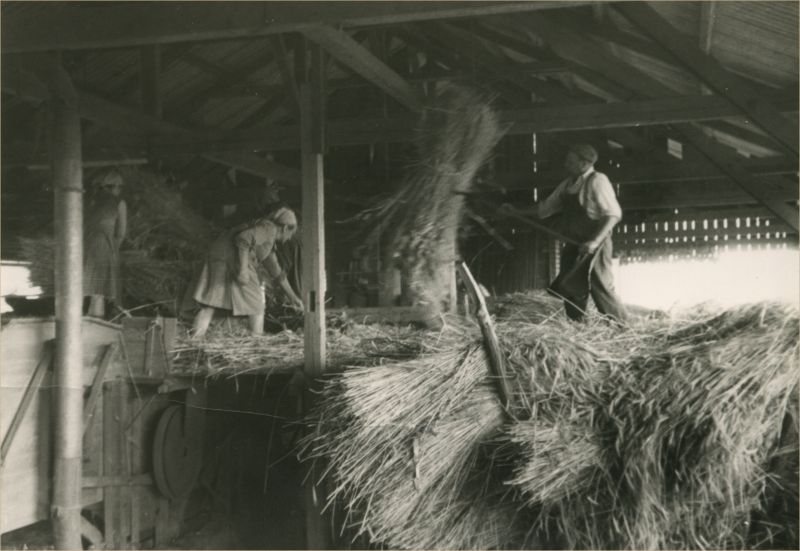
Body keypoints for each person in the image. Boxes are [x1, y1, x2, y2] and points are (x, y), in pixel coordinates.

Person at [533, 144, 627, 323]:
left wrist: (594, 241)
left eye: (570, 161)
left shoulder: (597, 180)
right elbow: (545, 209)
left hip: (595, 244)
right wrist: (514, 210)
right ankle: (577, 325)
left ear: (584, 163)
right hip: (575, 242)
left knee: (599, 284)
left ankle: (622, 326)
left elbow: (613, 214)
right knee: (570, 285)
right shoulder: (568, 184)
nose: (565, 164)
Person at [189, 206, 304, 338]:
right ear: (285, 228)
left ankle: (195, 340)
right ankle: (257, 342)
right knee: (257, 306)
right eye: (291, 234)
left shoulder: (268, 240)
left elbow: (276, 271)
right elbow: (243, 239)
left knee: (210, 303)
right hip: (230, 260)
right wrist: (243, 270)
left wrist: (293, 297)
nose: (289, 238)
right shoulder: (269, 229)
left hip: (219, 257)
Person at [84, 170, 127, 318]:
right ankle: (96, 319)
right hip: (105, 244)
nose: (119, 190)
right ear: (113, 187)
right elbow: (121, 233)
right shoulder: (119, 203)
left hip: (86, 244)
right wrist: (114, 248)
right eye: (119, 187)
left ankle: (89, 317)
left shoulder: (90, 201)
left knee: (90, 286)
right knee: (99, 289)